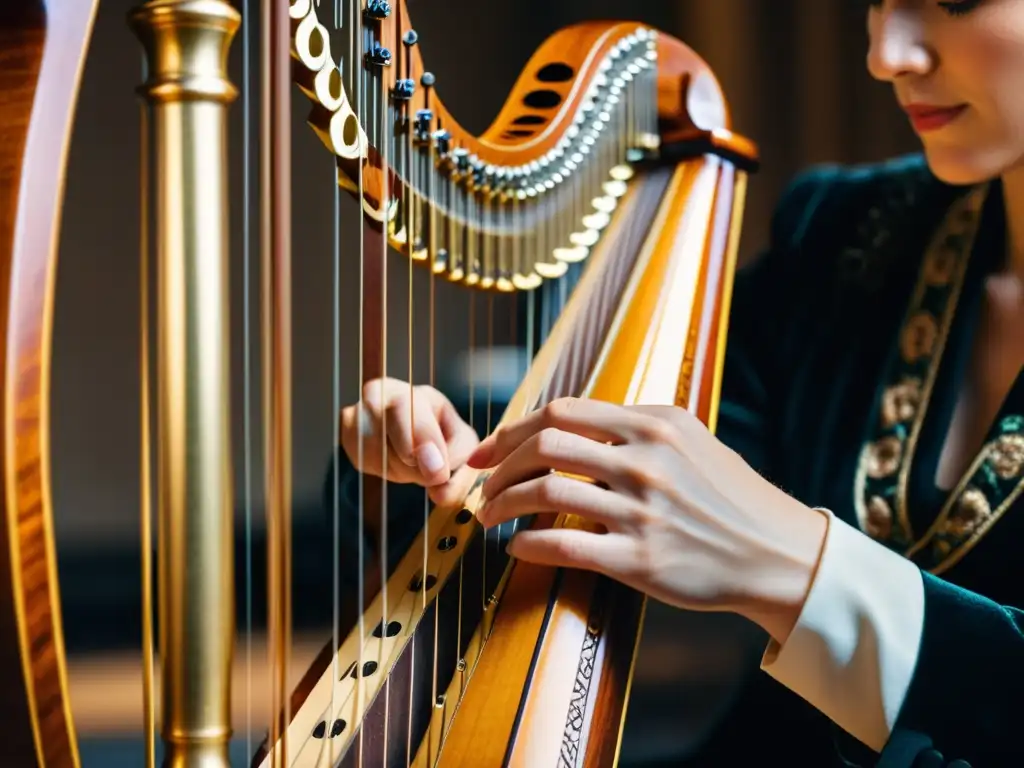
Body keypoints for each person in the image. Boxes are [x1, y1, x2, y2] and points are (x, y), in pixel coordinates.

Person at [326, 1, 1024, 765]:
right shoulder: (850, 230)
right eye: (880, 2)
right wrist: (429, 453)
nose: (885, 56)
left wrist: (799, 568)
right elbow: (655, 446)